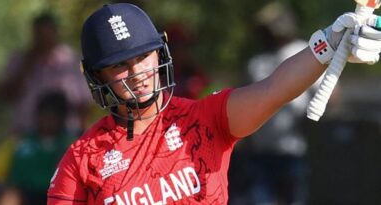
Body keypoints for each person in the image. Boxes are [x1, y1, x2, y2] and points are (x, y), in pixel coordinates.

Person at [47, 3, 381, 205]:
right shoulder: (82, 158)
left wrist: (329, 42)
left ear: (160, 53)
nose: (137, 73)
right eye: (120, 65)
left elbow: (275, 89)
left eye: (143, 56)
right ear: (97, 76)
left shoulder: (204, 119)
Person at [229, 2, 315, 204]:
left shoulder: (304, 52)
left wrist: (311, 123)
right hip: (261, 154)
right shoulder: (257, 63)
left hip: (295, 150)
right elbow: (243, 104)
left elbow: (330, 94)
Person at [0, 12, 91, 135]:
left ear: (55, 33)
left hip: (65, 135)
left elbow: (83, 102)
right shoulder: (20, 59)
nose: (43, 39)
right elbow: (6, 95)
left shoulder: (71, 60)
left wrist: (81, 134)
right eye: (39, 34)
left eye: (46, 33)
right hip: (26, 134)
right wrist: (27, 65)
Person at [8, 91, 76, 205]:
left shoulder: (73, 147)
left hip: (59, 196)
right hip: (24, 196)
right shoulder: (18, 144)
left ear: (63, 118)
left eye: (54, 115)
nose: (49, 120)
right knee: (10, 197)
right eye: (45, 114)